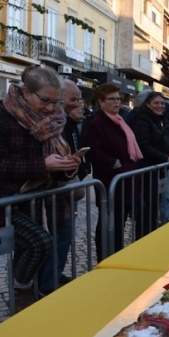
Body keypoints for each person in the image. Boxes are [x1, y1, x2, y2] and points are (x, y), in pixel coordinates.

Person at [0, 66, 80, 311]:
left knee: (27, 248)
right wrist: (42, 164)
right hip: (6, 199)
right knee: (40, 242)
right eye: (45, 100)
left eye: (56, 102)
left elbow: (54, 157)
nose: (51, 108)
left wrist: (67, 165)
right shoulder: (4, 117)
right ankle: (20, 288)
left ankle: (23, 294)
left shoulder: (51, 120)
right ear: (26, 92)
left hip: (29, 197)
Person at [38, 79, 89, 295]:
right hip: (49, 186)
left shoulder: (67, 120)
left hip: (63, 184)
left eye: (79, 99)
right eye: (73, 99)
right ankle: (45, 284)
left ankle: (52, 276)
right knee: (52, 237)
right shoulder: (53, 122)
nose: (77, 103)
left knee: (63, 235)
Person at [84, 83, 144, 262]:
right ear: (101, 102)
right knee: (109, 222)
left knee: (120, 221)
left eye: (119, 98)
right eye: (112, 99)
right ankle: (106, 257)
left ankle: (118, 254)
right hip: (111, 182)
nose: (117, 102)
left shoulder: (119, 119)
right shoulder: (97, 123)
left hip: (126, 181)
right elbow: (93, 150)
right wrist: (114, 163)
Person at [130, 91, 169, 225]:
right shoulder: (143, 119)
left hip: (158, 171)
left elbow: (166, 141)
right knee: (147, 211)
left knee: (154, 208)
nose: (160, 106)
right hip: (147, 170)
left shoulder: (161, 119)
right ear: (148, 104)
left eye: (162, 103)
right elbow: (144, 146)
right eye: (156, 103)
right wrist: (166, 158)